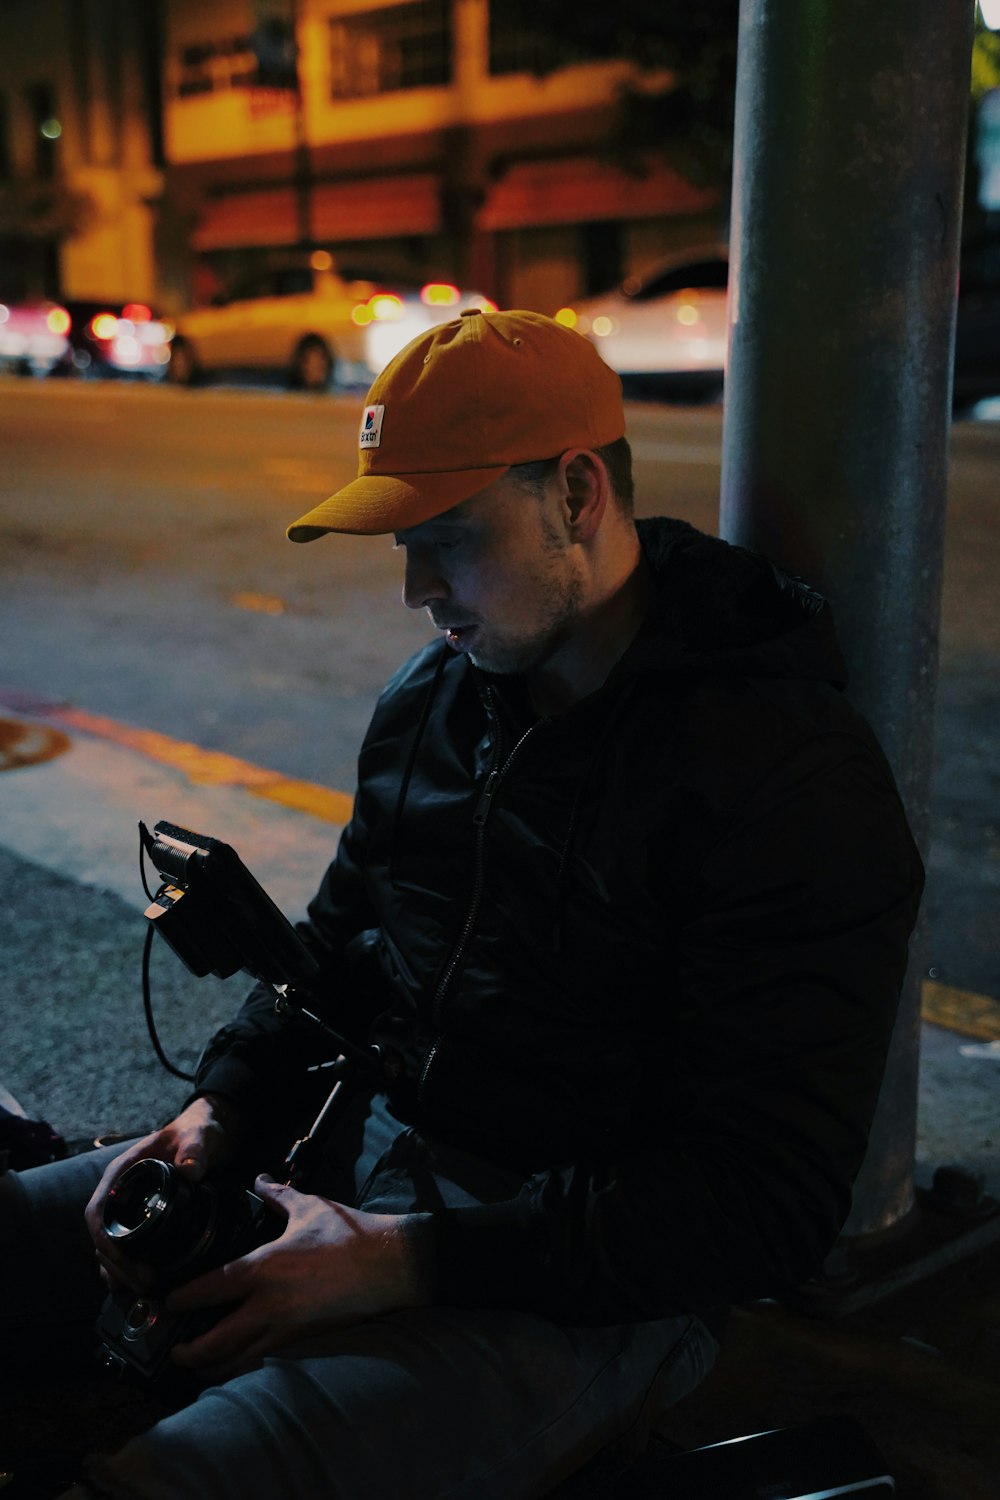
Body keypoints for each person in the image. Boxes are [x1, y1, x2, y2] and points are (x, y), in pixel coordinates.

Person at [2, 308, 923, 1499]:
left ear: (578, 495)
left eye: (446, 536)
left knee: (187, 1479)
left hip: (577, 1280)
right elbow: (339, 945)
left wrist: (407, 1262)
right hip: (350, 1148)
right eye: (400, 544)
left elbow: (764, 1203)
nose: (416, 589)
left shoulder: (784, 775)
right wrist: (217, 1115)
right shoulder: (439, 696)